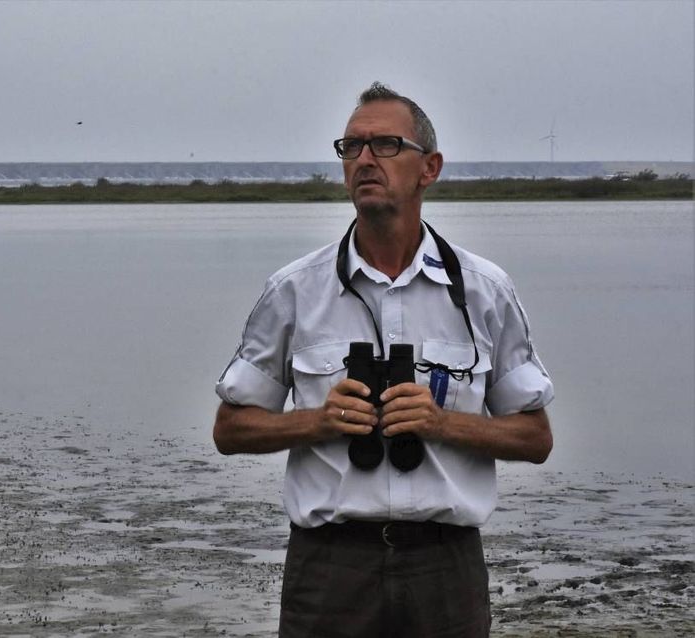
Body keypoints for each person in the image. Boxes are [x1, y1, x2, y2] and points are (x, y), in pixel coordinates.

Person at [212, 82, 554, 637]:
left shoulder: (485, 291)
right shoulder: (295, 291)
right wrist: (317, 421)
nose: (365, 160)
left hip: (446, 567)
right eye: (352, 148)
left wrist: (441, 424)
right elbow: (230, 429)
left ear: (430, 168)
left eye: (386, 145)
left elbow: (536, 438)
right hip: (329, 567)